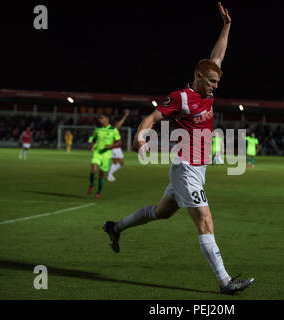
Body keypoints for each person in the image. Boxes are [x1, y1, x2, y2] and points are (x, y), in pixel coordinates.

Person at [103, 2, 254, 295]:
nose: (215, 87)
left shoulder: (208, 85)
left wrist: (227, 25)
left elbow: (218, 55)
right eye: (211, 82)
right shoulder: (182, 98)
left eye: (216, 82)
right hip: (186, 169)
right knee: (206, 222)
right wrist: (142, 135)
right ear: (198, 77)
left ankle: (115, 227)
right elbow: (154, 115)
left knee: (161, 212)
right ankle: (225, 282)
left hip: (196, 168)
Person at [87, 114, 121, 199]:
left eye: (101, 118)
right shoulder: (97, 129)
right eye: (99, 118)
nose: (100, 120)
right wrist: (92, 146)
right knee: (94, 170)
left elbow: (119, 142)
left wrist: (111, 146)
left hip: (106, 155)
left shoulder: (113, 130)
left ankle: (98, 191)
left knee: (101, 175)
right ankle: (91, 184)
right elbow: (93, 139)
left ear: (107, 119)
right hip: (97, 153)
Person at [107, 109, 130, 182]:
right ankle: (109, 175)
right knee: (116, 162)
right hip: (114, 148)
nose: (119, 124)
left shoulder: (115, 129)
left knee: (121, 163)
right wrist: (125, 116)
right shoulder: (114, 129)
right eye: (117, 123)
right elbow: (121, 122)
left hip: (117, 148)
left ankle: (110, 174)